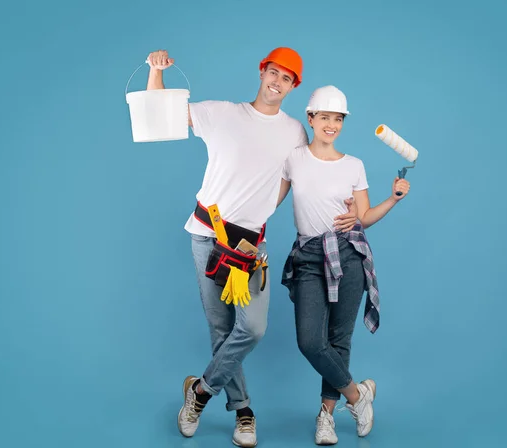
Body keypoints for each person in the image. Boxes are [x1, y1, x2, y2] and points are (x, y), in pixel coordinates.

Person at [145, 50, 359, 447]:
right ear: (262, 72)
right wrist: (155, 72)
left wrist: (348, 204)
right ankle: (244, 412)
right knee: (221, 327)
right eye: (273, 72)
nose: (277, 82)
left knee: (252, 327)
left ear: (294, 87)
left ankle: (200, 392)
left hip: (248, 244)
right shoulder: (221, 113)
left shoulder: (295, 131)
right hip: (206, 234)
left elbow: (309, 175)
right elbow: (159, 116)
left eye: (287, 78)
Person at [279, 85, 411, 445]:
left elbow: (363, 217)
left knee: (339, 339)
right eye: (325, 117)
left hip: (348, 255)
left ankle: (326, 416)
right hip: (308, 257)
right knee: (310, 341)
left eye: (338, 119)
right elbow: (270, 200)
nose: (331, 124)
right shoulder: (293, 158)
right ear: (311, 118)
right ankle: (357, 396)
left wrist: (394, 199)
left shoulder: (354, 165)